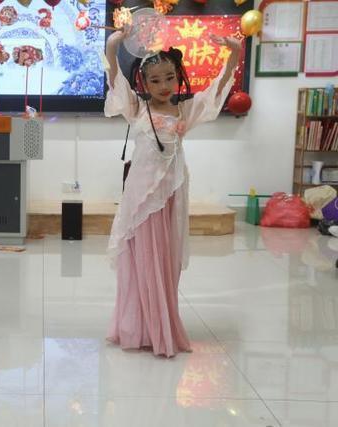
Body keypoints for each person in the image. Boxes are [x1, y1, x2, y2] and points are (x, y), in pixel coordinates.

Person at [104, 29, 241, 357]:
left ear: (179, 77)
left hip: (170, 198)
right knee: (140, 262)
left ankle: (160, 327)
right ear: (144, 83)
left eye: (169, 77)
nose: (164, 85)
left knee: (164, 263)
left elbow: (219, 88)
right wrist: (112, 46)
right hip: (141, 200)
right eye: (155, 80)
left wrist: (235, 52)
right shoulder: (136, 108)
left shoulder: (185, 110)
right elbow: (114, 78)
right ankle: (138, 327)